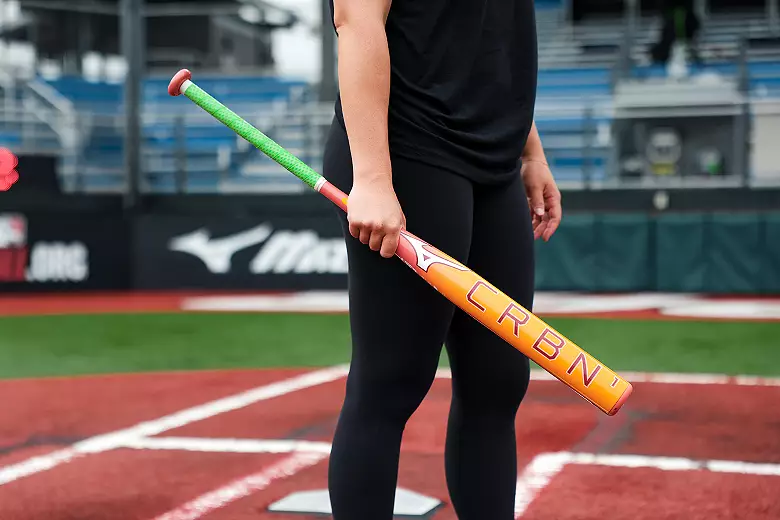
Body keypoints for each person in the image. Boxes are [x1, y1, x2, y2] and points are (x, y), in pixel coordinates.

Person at [322, 1, 562, 518]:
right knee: (391, 381)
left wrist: (530, 151)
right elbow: (357, 20)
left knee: (498, 381)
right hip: (409, 146)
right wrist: (373, 178)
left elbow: (486, 38)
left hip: (494, 159)